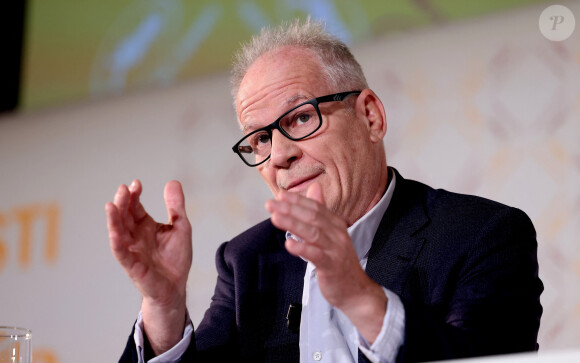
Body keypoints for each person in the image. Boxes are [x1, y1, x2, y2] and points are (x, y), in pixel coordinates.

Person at [106, 18, 543, 363]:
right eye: (258, 139)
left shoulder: (481, 234)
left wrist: (360, 297)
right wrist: (163, 306)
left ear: (370, 117)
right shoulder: (248, 260)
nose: (278, 155)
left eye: (299, 118)